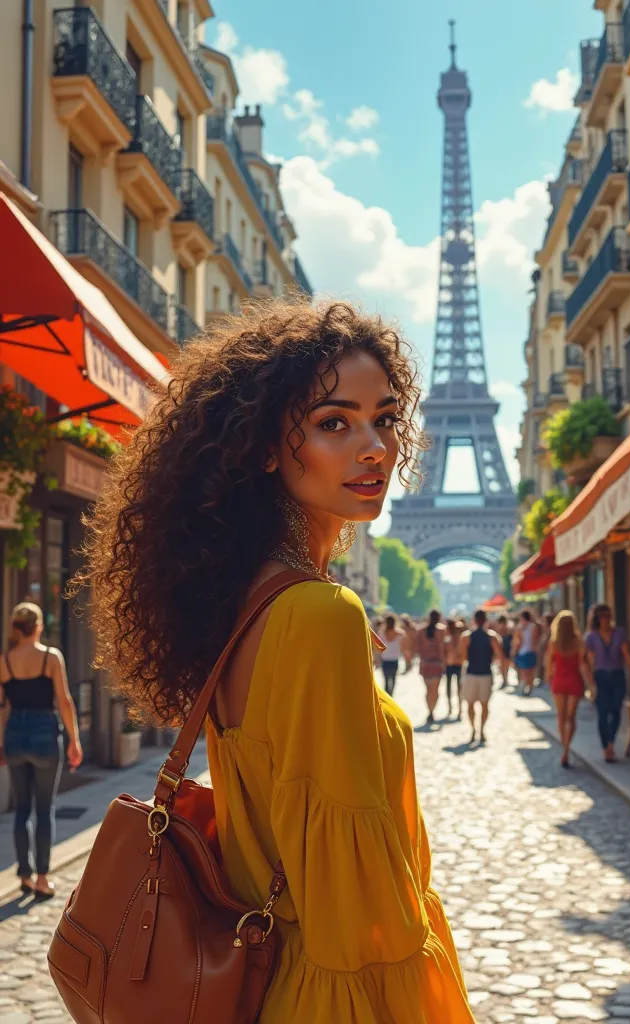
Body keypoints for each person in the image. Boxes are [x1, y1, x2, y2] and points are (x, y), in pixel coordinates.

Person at [74, 300, 475, 1022]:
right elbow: (363, 913)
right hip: (337, 995)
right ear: (265, 446)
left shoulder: (250, 601)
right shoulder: (320, 615)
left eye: (385, 418)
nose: (376, 446)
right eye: (333, 422)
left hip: (275, 986)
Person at [0, 603, 82, 899]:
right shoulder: (50, 657)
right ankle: (42, 880)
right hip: (45, 734)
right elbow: (64, 701)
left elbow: (1, 709)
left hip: (15, 736)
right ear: (37, 627)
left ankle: (24, 874)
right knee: (44, 808)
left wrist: (0, 743)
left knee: (22, 809)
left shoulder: (4, 662)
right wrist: (75, 740)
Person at [585, 603, 630, 764]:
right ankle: (605, 748)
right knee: (603, 713)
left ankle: (611, 743)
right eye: (602, 617)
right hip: (601, 677)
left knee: (615, 710)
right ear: (597, 619)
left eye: (608, 616)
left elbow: (627, 656)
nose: (606, 620)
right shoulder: (591, 637)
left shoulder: (619, 633)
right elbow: (589, 661)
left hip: (617, 676)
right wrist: (590, 684)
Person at [544, 610, 594, 768]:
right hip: (574, 680)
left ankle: (563, 747)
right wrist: (591, 683)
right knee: (571, 717)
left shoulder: (554, 643)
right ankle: (566, 749)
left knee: (561, 716)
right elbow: (582, 664)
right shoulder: (578, 642)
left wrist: (548, 678)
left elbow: (549, 664)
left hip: (559, 681)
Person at [459, 610, 503, 744]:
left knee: (470, 704)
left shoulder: (466, 636)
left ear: (474, 620)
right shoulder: (492, 637)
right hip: (485, 673)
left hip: (472, 673)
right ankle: (481, 729)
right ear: (486, 620)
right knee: (484, 704)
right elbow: (499, 655)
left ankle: (473, 728)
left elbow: (463, 657)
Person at [415, 610, 447, 726]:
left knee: (428, 690)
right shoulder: (442, 630)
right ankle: (432, 710)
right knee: (435, 690)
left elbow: (417, 648)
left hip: (425, 664)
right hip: (436, 664)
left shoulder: (420, 630)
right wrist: (443, 663)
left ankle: (429, 710)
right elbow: (442, 648)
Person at [513, 609, 540, 695]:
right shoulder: (532, 626)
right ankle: (529, 687)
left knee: (524, 672)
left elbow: (518, 642)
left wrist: (514, 651)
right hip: (530, 651)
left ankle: (526, 686)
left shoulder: (520, 628)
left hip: (523, 652)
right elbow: (535, 640)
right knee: (530, 671)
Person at [377, 614, 405, 697]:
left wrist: (377, 659)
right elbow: (405, 646)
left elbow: (378, 649)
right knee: (393, 679)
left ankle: (387, 696)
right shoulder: (400, 633)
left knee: (386, 680)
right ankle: (391, 695)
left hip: (385, 660)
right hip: (394, 660)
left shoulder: (381, 634)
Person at [444, 617, 466, 719]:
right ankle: (451, 707)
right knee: (451, 687)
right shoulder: (448, 636)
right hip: (450, 664)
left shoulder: (458, 636)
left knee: (457, 687)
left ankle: (458, 709)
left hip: (456, 664)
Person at [536, 612, 555, 686]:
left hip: (548, 659)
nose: (542, 622)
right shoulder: (544, 632)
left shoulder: (551, 633)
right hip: (543, 658)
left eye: (543, 620)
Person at [495, 615, 513, 687]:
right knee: (506, 665)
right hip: (507, 646)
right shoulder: (509, 627)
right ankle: (505, 679)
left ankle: (504, 680)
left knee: (502, 665)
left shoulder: (500, 628)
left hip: (503, 646)